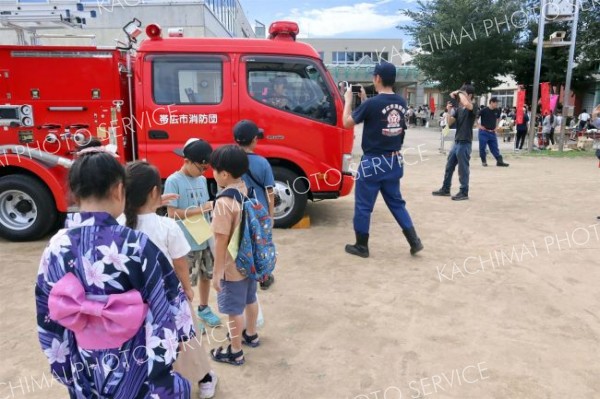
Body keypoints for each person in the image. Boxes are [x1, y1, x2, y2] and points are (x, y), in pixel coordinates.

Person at [36, 148, 193, 398]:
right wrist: (166, 360)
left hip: (84, 360)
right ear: (120, 189)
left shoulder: (56, 247)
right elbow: (167, 303)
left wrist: (64, 368)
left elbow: (48, 313)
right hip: (136, 359)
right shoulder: (136, 245)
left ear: (74, 194)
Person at [123, 161, 218, 399]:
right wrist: (187, 288)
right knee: (187, 340)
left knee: (148, 344)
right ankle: (205, 378)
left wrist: (151, 202)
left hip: (135, 300)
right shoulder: (167, 226)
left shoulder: (120, 225)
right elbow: (180, 263)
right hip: (169, 296)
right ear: (155, 192)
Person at [342, 60, 423, 258]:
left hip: (373, 162)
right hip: (393, 160)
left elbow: (346, 123)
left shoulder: (371, 104)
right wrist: (365, 99)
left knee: (363, 205)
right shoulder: (402, 102)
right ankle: (414, 241)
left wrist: (348, 101)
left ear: (377, 78)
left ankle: (362, 246)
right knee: (396, 203)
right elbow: (389, 120)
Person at [209, 145, 260, 366]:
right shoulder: (246, 189)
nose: (211, 173)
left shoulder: (223, 202)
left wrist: (218, 272)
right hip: (249, 261)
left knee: (233, 310)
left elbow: (221, 240)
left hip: (232, 267)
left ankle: (235, 351)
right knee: (250, 299)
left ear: (224, 174)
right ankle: (251, 334)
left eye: (214, 169)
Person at [165, 139, 221, 328]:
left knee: (206, 275)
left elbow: (205, 209)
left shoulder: (202, 180)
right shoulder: (174, 181)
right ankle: (187, 315)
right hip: (185, 242)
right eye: (200, 168)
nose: (203, 172)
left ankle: (204, 308)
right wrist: (200, 209)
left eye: (206, 169)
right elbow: (172, 214)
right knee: (185, 281)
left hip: (203, 236)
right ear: (187, 160)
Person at [233, 119, 276, 290]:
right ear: (253, 140)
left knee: (241, 242)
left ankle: (242, 274)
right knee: (262, 243)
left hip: (238, 209)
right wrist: (271, 216)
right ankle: (264, 277)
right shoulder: (262, 163)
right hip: (259, 212)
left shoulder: (231, 160)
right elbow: (270, 192)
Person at [432, 84, 477, 201]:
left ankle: (464, 192)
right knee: (449, 166)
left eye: (464, 93)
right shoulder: (459, 109)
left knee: (463, 169)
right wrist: (448, 110)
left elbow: (467, 104)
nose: (460, 96)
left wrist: (458, 92)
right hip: (456, 142)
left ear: (470, 95)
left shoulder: (473, 106)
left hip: (465, 142)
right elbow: (450, 122)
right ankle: (446, 188)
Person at [477, 98, 510, 167]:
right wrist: (479, 125)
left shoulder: (497, 110)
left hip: (492, 132)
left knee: (495, 147)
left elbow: (498, 118)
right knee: (482, 147)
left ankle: (499, 161)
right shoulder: (483, 110)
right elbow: (476, 117)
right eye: (496, 103)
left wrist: (497, 126)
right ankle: (484, 161)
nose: (497, 104)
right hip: (483, 132)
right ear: (491, 102)